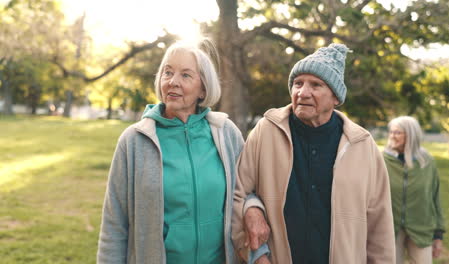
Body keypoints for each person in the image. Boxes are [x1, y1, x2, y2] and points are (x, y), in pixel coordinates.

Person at [232, 43, 396, 263]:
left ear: (336, 97)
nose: (303, 92)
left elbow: (380, 224)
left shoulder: (362, 145)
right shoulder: (266, 131)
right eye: (298, 83)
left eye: (316, 85)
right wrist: (257, 256)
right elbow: (237, 193)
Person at [97, 38, 244, 264]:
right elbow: (114, 223)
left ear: (203, 89)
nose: (173, 82)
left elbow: (247, 194)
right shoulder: (134, 141)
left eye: (185, 75)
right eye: (168, 73)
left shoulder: (226, 133)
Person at [383, 116, 445, 264]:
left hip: (421, 228)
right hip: (389, 228)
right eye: (391, 132)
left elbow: (435, 197)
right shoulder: (381, 159)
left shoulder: (427, 162)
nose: (392, 136)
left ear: (411, 136)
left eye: (398, 133)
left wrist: (438, 235)